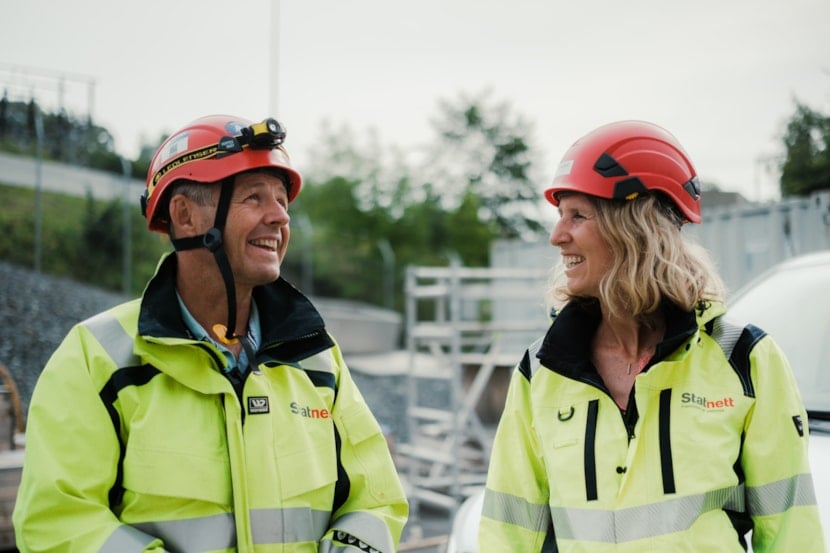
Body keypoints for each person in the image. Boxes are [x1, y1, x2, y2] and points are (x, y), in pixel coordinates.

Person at [13, 114, 408, 552]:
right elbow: (58, 521)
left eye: (282, 201)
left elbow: (376, 500)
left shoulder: (316, 357)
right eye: (254, 198)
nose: (279, 217)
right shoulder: (98, 358)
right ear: (184, 216)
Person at [478, 120, 825, 551]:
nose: (557, 236)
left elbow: (793, 534)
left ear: (635, 229)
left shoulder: (746, 361)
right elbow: (505, 535)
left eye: (578, 216)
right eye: (559, 215)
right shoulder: (540, 371)